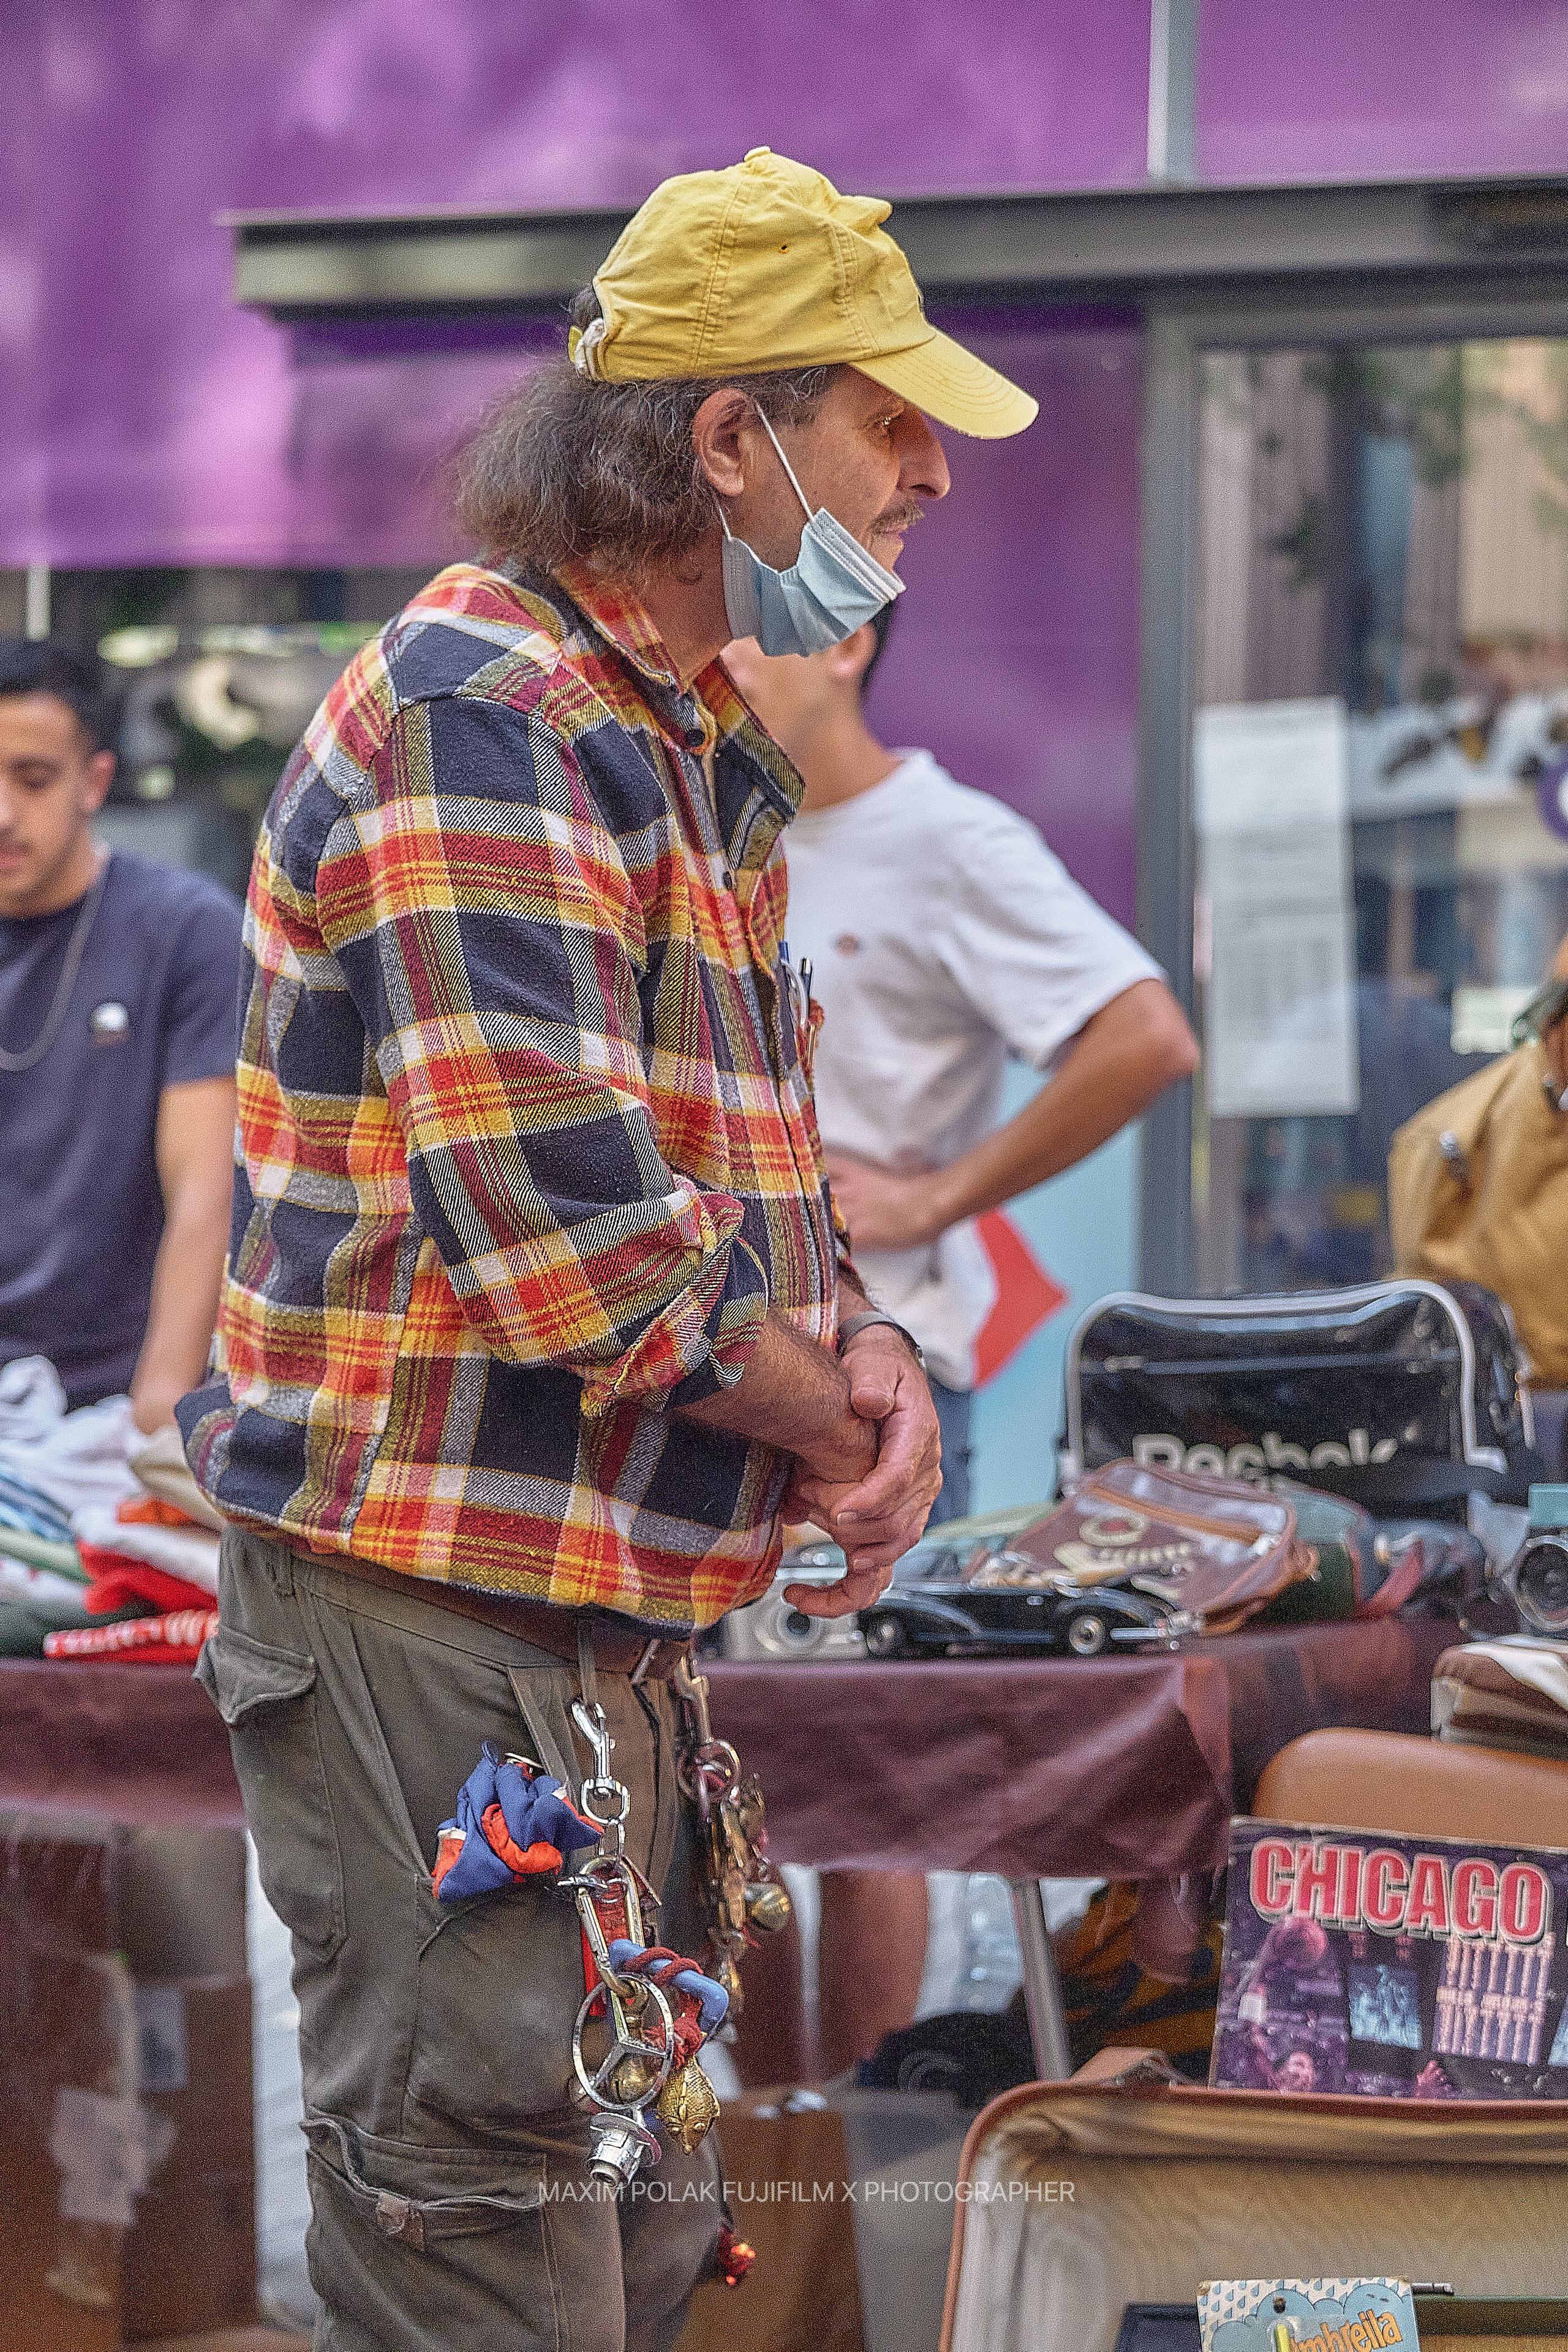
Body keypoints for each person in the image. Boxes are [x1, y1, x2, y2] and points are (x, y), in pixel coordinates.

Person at [177, 149, 1036, 2352]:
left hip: (565, 1634)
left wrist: (869, 1367)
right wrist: (840, 1407)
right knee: (495, 2222)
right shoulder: (495, 710)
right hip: (438, 1627)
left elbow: (742, 1173)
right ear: (730, 437)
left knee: (620, 2215)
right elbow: (576, 1250)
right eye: (890, 418)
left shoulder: (665, 725)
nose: (931, 470)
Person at [722, 612, 1197, 2076]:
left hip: (879, 1379)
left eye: (745, 630)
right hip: (696, 1361)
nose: (716, 658)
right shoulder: (694, 821)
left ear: (850, 637)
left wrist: (935, 1189)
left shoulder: (949, 838)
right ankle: (766, 2162)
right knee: (714, 1793)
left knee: (864, 1803)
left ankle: (854, 2196)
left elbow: (1144, 1037)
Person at [0, 638, 241, 1433]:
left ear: (94, 783)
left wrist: (160, 1409)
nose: (4, 813)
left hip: (111, 1396)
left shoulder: (183, 931)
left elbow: (203, 1190)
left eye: (33, 780)